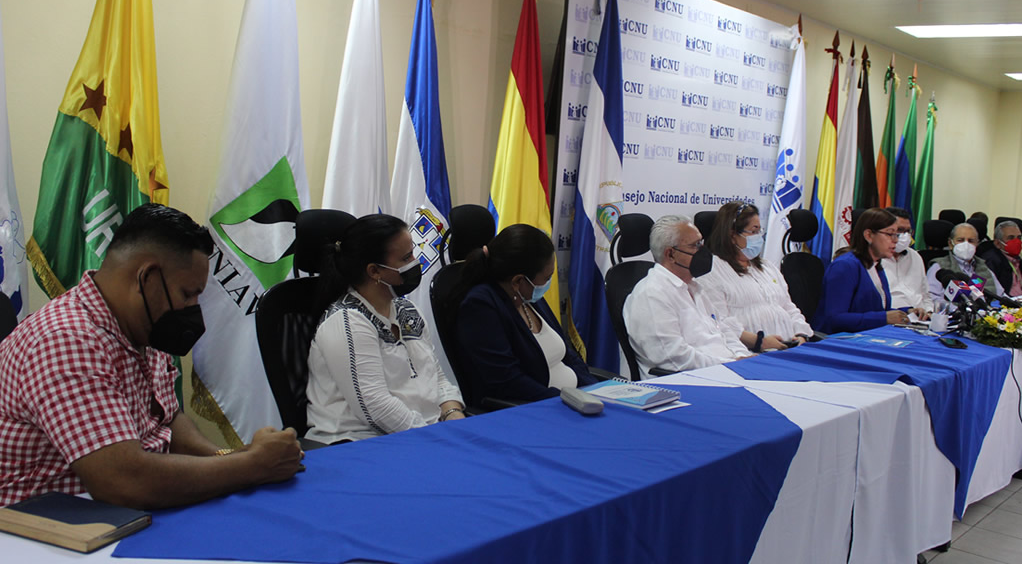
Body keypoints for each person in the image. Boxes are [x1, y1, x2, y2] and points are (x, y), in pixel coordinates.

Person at [0, 204, 303, 509]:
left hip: (117, 514)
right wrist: (252, 466)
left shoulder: (142, 325)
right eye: (187, 294)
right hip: (42, 528)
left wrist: (234, 458)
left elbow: (167, 421)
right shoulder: (66, 341)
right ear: (147, 278)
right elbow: (122, 481)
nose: (193, 308)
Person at [306, 214, 464, 444]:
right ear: (374, 271)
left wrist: (453, 414)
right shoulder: (347, 321)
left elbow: (436, 376)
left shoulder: (406, 309)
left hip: (420, 434)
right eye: (406, 257)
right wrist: (437, 439)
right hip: (360, 444)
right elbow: (376, 407)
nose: (415, 262)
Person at [453, 224, 596, 403]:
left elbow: (568, 354)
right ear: (518, 281)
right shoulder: (481, 306)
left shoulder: (529, 297)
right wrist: (569, 401)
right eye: (547, 278)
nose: (549, 283)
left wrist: (595, 391)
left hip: (575, 402)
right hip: (538, 409)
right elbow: (507, 381)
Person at [624, 215, 752, 374]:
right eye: (695, 245)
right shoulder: (651, 294)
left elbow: (725, 332)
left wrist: (744, 357)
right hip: (688, 382)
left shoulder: (695, 287)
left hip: (725, 372)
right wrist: (730, 365)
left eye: (701, 243)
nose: (703, 251)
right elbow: (673, 358)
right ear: (671, 254)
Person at [698, 202, 812, 350]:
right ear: (732, 235)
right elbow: (718, 321)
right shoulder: (712, 270)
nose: (759, 237)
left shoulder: (767, 267)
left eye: (760, 231)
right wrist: (759, 342)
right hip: (749, 351)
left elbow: (788, 307)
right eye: (753, 231)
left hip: (791, 348)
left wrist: (802, 334)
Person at [813, 208, 925, 333]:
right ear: (869, 235)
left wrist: (906, 311)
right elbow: (834, 319)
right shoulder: (844, 266)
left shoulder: (877, 266)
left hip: (869, 336)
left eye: (896, 235)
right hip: (839, 342)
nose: (896, 240)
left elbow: (873, 310)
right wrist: (884, 318)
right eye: (890, 234)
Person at [927, 223, 1003, 301]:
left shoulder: (983, 267)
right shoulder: (939, 267)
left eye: (971, 241)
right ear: (950, 243)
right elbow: (931, 297)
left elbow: (1001, 295)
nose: (966, 244)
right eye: (960, 240)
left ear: (977, 244)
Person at [880, 207, 932, 313]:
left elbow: (926, 295)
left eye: (908, 231)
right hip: (891, 318)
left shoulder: (915, 256)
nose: (904, 235)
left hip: (920, 320)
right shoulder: (874, 259)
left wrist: (929, 312)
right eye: (899, 230)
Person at [979, 220, 1022, 297]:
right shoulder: (991, 260)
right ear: (997, 243)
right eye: (1011, 238)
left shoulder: (1018, 258)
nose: (1016, 241)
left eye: (1019, 238)